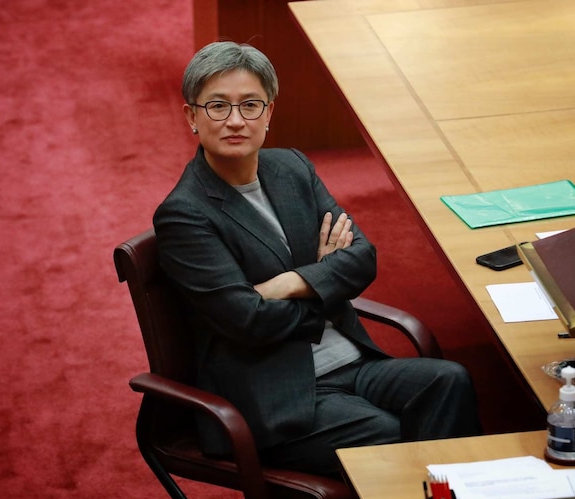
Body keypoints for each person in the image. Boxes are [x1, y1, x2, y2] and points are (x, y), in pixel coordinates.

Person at [153, 41, 482, 476]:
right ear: (191, 117)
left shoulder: (291, 168)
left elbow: (362, 257)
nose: (235, 120)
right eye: (217, 106)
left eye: (250, 105)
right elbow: (247, 320)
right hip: (277, 394)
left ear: (269, 113)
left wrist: (289, 282)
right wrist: (324, 276)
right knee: (392, 435)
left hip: (352, 361)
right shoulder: (185, 214)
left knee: (449, 381)